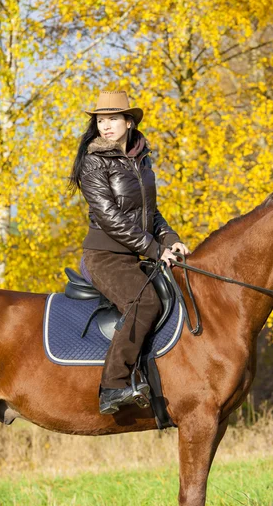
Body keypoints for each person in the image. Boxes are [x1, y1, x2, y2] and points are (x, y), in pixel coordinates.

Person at [69, 90, 190, 414]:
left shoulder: (141, 160)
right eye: (100, 120)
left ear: (128, 121)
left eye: (111, 119)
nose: (105, 126)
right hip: (104, 256)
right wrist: (153, 249)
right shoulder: (93, 162)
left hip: (136, 254)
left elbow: (151, 212)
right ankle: (113, 386)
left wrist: (170, 239)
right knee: (145, 302)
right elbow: (110, 218)